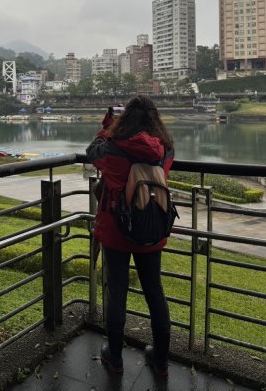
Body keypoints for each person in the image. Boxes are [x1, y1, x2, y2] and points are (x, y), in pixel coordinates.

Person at [86, 95, 174, 377]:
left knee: (117, 292)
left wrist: (108, 125)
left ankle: (115, 357)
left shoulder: (112, 147)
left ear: (125, 117)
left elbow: (91, 151)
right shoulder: (166, 150)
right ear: (155, 119)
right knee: (154, 291)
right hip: (152, 227)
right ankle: (160, 360)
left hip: (116, 230)